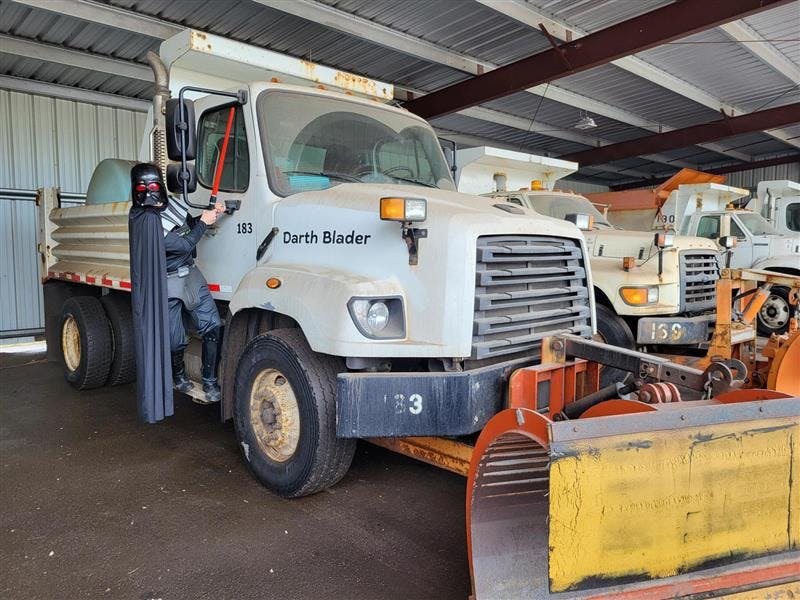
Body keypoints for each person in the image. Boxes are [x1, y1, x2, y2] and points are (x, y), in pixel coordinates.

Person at [160, 190, 225, 403]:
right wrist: (204, 223)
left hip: (191, 274)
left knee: (213, 327)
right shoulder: (149, 221)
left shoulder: (172, 206)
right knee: (175, 342)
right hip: (168, 280)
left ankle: (209, 380)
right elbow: (184, 244)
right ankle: (178, 375)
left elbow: (188, 228)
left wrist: (210, 215)